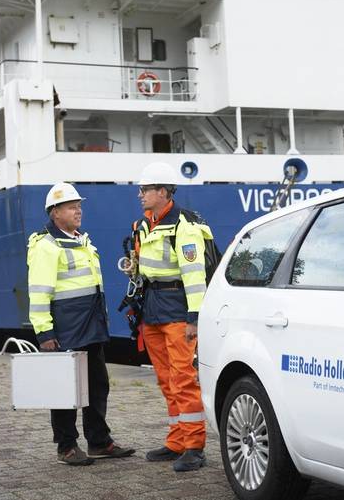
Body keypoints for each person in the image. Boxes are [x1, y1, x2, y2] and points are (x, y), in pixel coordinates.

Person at [27, 182, 135, 466]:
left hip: (90, 326)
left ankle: (99, 442)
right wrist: (45, 333)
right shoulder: (45, 245)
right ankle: (66, 447)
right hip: (64, 330)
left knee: (98, 385)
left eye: (79, 206)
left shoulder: (80, 240)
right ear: (55, 212)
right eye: (72, 206)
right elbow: (39, 293)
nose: (79, 211)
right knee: (64, 389)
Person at [132, 162, 214, 472]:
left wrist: (194, 318)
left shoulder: (185, 226)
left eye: (146, 190)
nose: (140, 195)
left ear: (163, 192)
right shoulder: (143, 225)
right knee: (167, 380)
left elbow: (194, 277)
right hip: (152, 309)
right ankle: (176, 441)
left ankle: (194, 446)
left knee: (182, 379)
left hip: (178, 310)